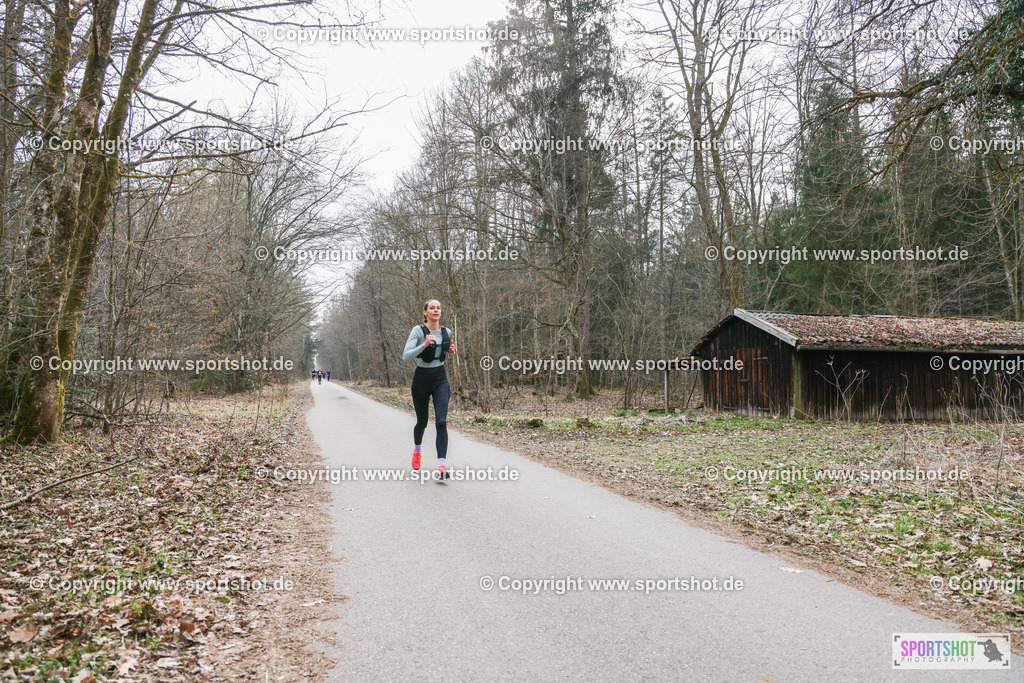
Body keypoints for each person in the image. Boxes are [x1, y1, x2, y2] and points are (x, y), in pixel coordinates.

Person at [402, 299, 456, 478]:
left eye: (438, 308)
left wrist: (449, 350)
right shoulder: (418, 331)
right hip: (421, 380)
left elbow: (444, 349)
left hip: (440, 379)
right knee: (422, 422)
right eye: (432, 308)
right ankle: (417, 451)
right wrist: (423, 345)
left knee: (441, 421)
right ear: (425, 312)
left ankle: (442, 466)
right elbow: (405, 356)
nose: (436, 310)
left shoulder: (446, 331)